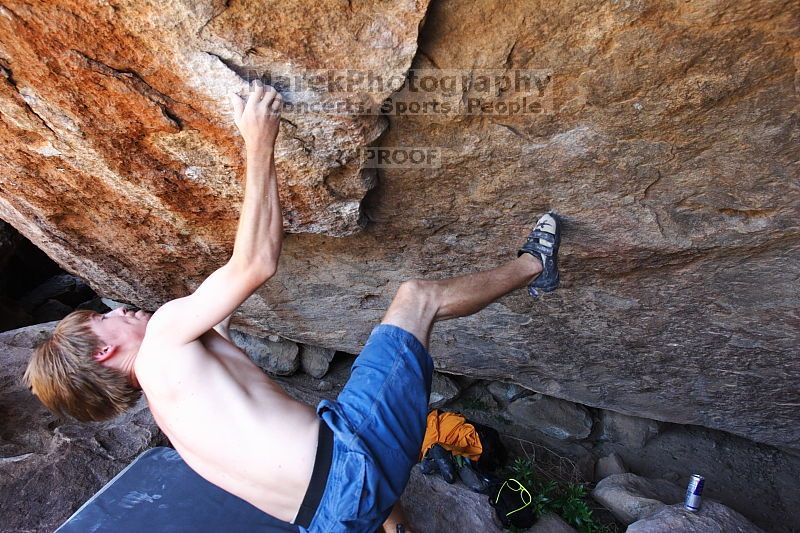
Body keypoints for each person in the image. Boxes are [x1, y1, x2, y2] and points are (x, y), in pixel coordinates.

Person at [24, 80, 561, 532]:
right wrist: (260, 142)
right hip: (351, 459)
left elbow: (237, 283)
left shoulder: (174, 416)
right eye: (105, 317)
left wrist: (264, 187)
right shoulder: (164, 337)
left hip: (329, 519)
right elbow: (255, 263)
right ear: (101, 352)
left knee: (362, 479)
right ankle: (536, 264)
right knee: (414, 300)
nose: (123, 311)